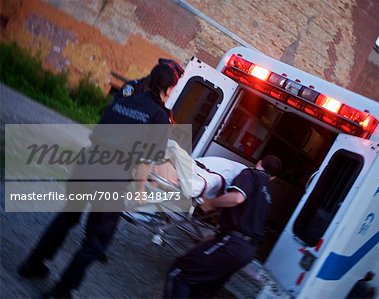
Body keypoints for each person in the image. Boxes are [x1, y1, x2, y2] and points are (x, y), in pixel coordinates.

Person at [18, 59, 184, 298]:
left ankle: (31, 264)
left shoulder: (126, 95)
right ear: (169, 89)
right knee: (97, 241)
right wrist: (140, 190)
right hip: (112, 175)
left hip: (87, 162)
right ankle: (61, 291)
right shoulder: (159, 115)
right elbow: (145, 160)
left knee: (67, 217)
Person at [163, 155, 283, 298]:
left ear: (259, 163)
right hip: (247, 251)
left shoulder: (250, 173)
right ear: (273, 178)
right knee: (203, 289)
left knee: (179, 273)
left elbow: (237, 198)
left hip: (232, 245)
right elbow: (246, 222)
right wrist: (216, 237)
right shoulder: (266, 196)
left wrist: (210, 203)